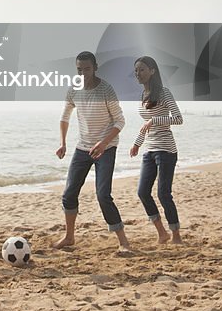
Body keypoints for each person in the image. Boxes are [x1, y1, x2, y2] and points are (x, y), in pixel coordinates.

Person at [56, 50, 132, 253]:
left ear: (95, 68)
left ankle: (123, 241)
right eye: (79, 69)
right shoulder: (74, 89)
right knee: (69, 194)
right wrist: (63, 143)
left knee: (103, 195)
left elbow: (120, 121)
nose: (83, 74)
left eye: (87, 69)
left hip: (106, 148)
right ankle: (69, 236)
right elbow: (65, 117)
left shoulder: (106, 90)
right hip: (83, 147)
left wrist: (103, 143)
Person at [130, 55, 183, 244]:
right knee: (143, 192)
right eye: (136, 70)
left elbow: (178, 118)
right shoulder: (142, 95)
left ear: (152, 71)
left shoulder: (164, 93)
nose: (138, 73)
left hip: (166, 150)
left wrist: (155, 120)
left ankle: (176, 234)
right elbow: (145, 124)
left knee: (163, 194)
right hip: (149, 150)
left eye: (142, 69)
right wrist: (137, 142)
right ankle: (162, 232)